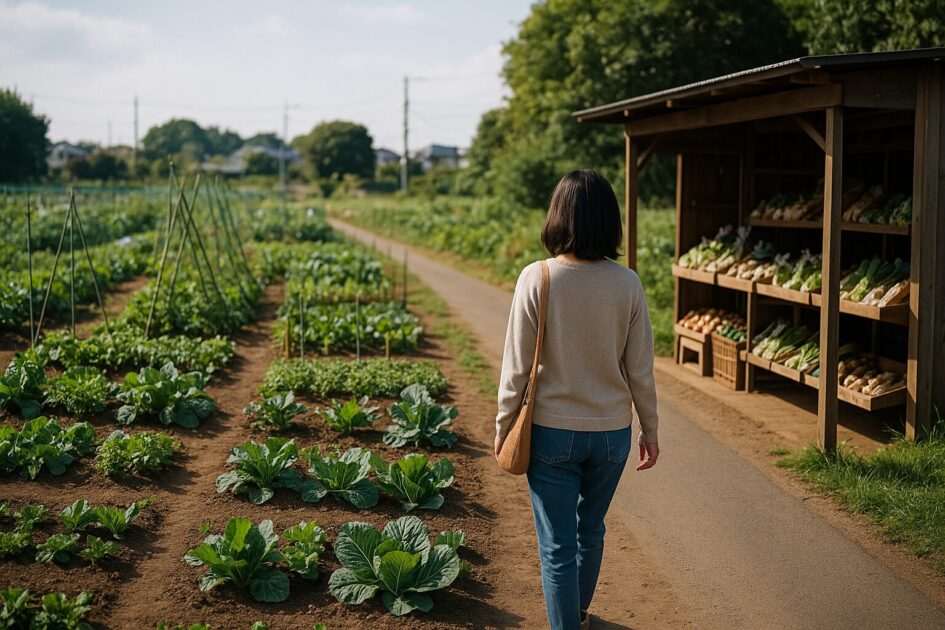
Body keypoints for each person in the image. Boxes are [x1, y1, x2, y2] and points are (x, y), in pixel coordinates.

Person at [494, 169, 660, 630]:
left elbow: (516, 368)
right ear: (610, 221)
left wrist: (503, 427)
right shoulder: (628, 283)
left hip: (551, 433)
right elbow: (640, 370)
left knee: (557, 546)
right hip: (612, 435)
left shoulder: (538, 277)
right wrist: (651, 430)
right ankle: (579, 617)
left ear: (557, 217)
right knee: (591, 531)